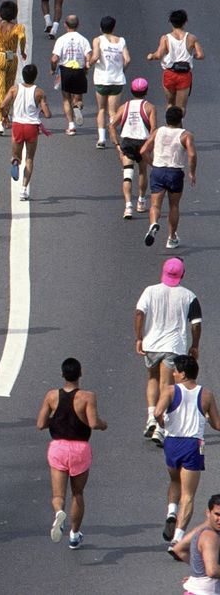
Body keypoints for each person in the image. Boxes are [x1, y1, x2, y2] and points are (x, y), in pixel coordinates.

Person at [36, 357, 107, 549]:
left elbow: (40, 424)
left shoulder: (51, 396)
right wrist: (103, 424)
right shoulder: (87, 397)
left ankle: (59, 511)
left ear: (62, 374)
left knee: (58, 495)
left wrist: (57, 421)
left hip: (58, 447)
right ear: (80, 374)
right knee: (77, 493)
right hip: (80, 449)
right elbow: (93, 423)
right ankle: (74, 535)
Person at [136, 257, 202, 444]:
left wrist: (139, 337)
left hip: (152, 344)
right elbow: (196, 324)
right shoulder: (189, 296)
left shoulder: (150, 291)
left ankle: (151, 416)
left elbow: (139, 313)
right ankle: (160, 426)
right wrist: (195, 345)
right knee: (167, 385)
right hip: (173, 346)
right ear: (182, 274)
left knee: (153, 379)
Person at [157, 355, 220, 547]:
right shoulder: (206, 394)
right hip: (192, 445)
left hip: (172, 443)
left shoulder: (169, 391)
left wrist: (164, 424)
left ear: (183, 374)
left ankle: (171, 512)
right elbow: (217, 425)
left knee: (174, 480)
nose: (174, 374)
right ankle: (178, 536)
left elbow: (157, 413)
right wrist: (206, 416)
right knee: (189, 494)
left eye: (176, 371)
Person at [140, 106, 195, 249]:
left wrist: (152, 163)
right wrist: (192, 172)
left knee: (155, 205)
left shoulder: (158, 132)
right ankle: (171, 237)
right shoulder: (185, 135)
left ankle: (153, 224)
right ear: (180, 120)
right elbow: (192, 154)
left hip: (158, 171)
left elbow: (143, 150)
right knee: (174, 206)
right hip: (174, 172)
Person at [0, 64, 52, 201]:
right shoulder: (39, 92)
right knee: (29, 158)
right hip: (31, 127)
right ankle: (23, 190)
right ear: (35, 76)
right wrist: (42, 109)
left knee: (16, 155)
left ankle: (15, 161)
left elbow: (2, 105)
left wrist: (5, 117)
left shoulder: (14, 89)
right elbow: (47, 114)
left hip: (17, 125)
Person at [146, 9, 205, 117]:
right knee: (181, 107)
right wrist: (193, 56)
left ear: (170, 22)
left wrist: (151, 56)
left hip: (169, 74)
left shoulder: (165, 38)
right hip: (184, 75)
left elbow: (159, 55)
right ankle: (179, 126)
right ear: (185, 21)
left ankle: (170, 126)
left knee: (170, 103)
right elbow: (200, 55)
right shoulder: (191, 38)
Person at [110, 77, 154, 219]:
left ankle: (128, 206)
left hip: (127, 143)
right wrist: (151, 146)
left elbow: (111, 126)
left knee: (127, 176)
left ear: (132, 91)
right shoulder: (149, 107)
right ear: (146, 91)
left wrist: (117, 145)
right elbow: (153, 129)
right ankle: (141, 201)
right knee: (142, 172)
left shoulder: (124, 107)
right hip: (142, 143)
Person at [88, 15, 128, 150]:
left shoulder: (98, 40)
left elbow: (95, 56)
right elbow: (127, 59)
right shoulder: (121, 41)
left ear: (101, 27)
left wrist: (89, 64)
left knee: (101, 109)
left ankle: (101, 138)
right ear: (114, 27)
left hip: (102, 80)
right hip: (117, 80)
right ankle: (114, 136)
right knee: (113, 111)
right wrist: (121, 70)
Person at [0, 0, 26, 137]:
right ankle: (6, 117)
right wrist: (22, 51)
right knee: (9, 89)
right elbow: (22, 38)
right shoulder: (18, 27)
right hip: (12, 58)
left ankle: (0, 122)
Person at [49, 14, 90, 136]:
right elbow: (88, 57)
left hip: (65, 71)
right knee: (78, 99)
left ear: (65, 25)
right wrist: (86, 67)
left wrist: (53, 69)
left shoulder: (61, 39)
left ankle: (71, 126)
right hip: (79, 70)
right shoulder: (83, 40)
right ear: (78, 25)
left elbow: (54, 58)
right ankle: (77, 107)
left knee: (66, 99)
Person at [169, 496, 220, 592]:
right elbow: (212, 571)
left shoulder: (204, 531)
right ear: (208, 513)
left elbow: (178, 549)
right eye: (217, 514)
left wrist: (199, 577)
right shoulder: (210, 536)